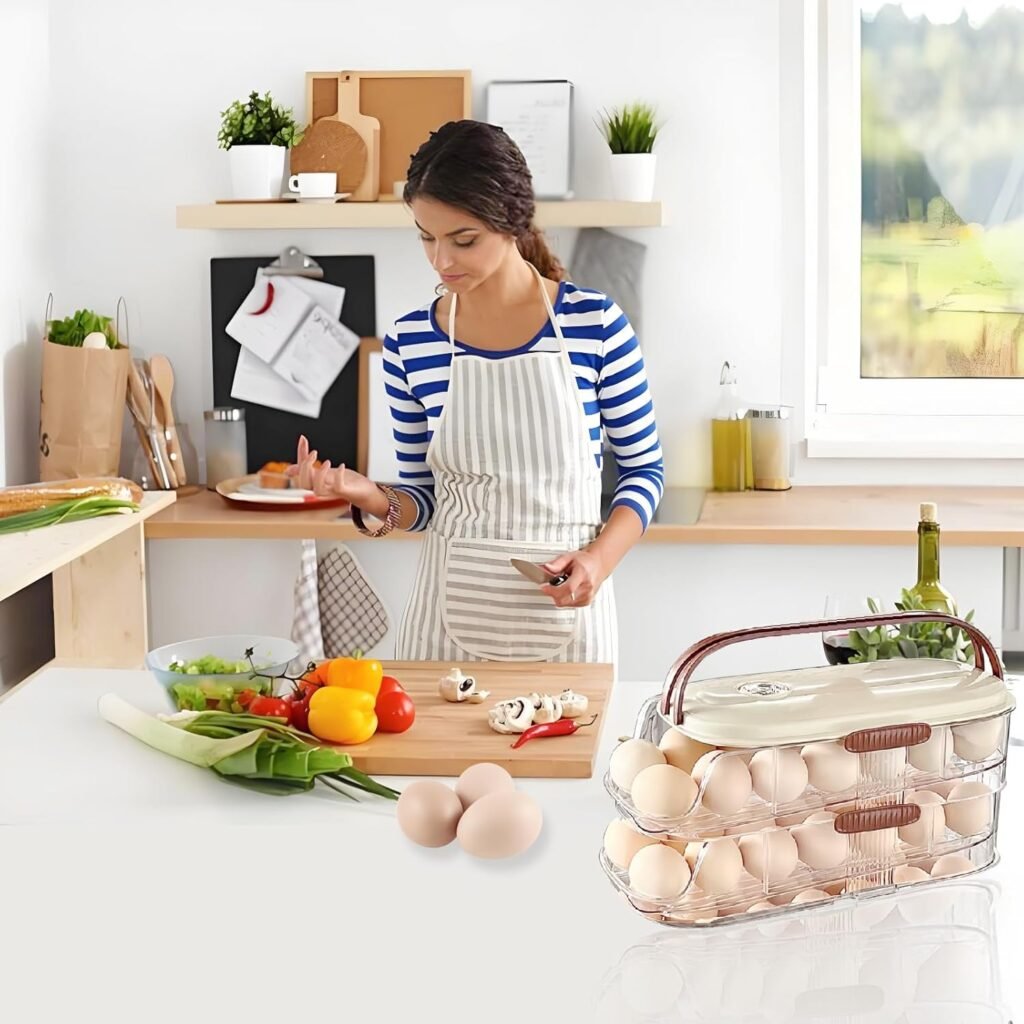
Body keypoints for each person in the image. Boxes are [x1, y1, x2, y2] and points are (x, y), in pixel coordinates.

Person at [289, 120, 664, 664]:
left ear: (511, 222)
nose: (441, 261)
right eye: (425, 236)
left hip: (567, 624)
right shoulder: (410, 343)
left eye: (463, 240)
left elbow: (644, 471)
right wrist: (366, 494)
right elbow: (423, 504)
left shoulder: (596, 324)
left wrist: (599, 561)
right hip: (443, 629)